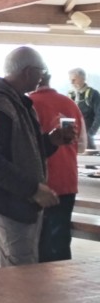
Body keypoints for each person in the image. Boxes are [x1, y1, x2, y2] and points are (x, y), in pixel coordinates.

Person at [0, 47, 74, 267]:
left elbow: (21, 150)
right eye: (40, 71)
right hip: (6, 199)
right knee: (21, 266)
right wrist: (33, 189)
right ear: (28, 72)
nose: (41, 77)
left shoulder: (14, 100)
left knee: (14, 261)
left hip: (11, 195)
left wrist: (50, 141)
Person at [30, 72, 87, 262]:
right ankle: (63, 278)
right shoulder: (70, 104)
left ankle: (37, 280)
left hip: (38, 183)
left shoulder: (27, 104)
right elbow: (82, 145)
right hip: (67, 180)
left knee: (36, 242)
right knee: (60, 240)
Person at [69, 68, 100, 149]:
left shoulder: (93, 94)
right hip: (73, 139)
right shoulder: (71, 95)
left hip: (87, 139)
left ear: (83, 78)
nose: (71, 82)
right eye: (70, 80)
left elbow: (99, 116)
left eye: (74, 80)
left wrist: (90, 134)